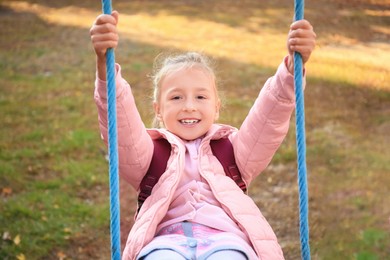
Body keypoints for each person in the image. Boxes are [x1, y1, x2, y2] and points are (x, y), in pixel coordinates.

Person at [90, 10, 316, 260]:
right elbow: (122, 127)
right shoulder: (150, 155)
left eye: (200, 97)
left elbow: (268, 118)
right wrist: (104, 66)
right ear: (158, 109)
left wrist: (291, 70)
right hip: (166, 243)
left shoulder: (232, 152)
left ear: (216, 106)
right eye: (176, 97)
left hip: (227, 241)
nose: (189, 106)